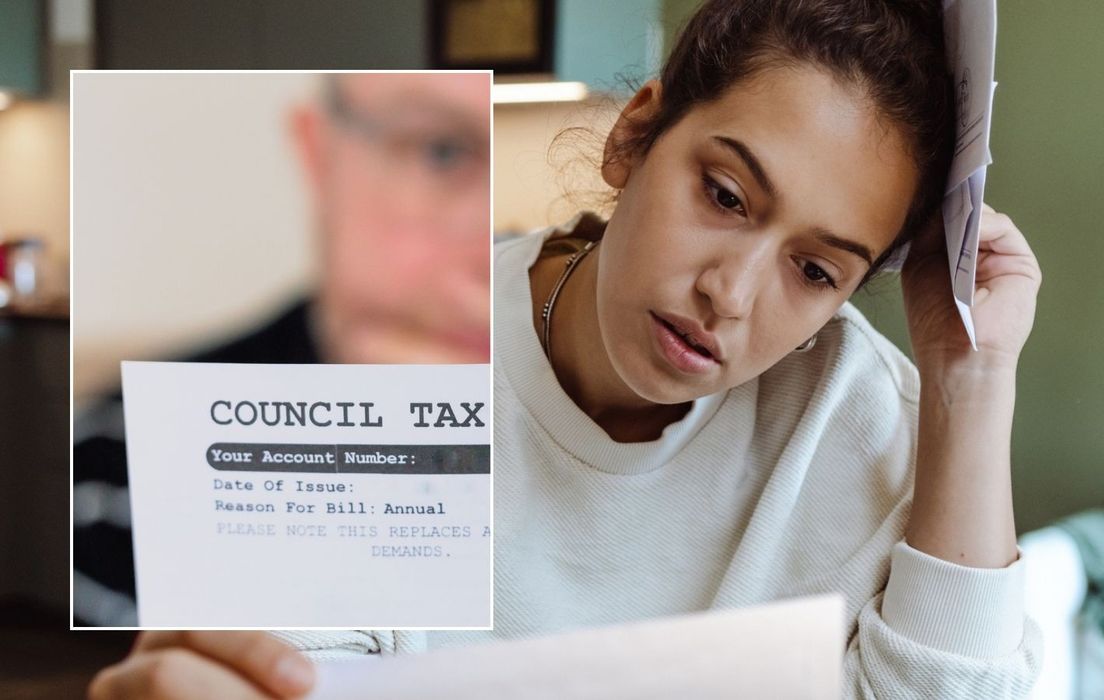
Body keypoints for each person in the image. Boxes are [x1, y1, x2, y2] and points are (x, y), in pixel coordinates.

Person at [90, 0, 1044, 697]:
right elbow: (291, 666)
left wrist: (972, 379)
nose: (731, 294)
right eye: (722, 195)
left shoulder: (869, 424)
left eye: (816, 270)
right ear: (635, 137)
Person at [73, 72, 491, 626]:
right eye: (442, 152)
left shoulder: (619, 444)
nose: (492, 251)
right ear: (320, 156)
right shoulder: (128, 457)